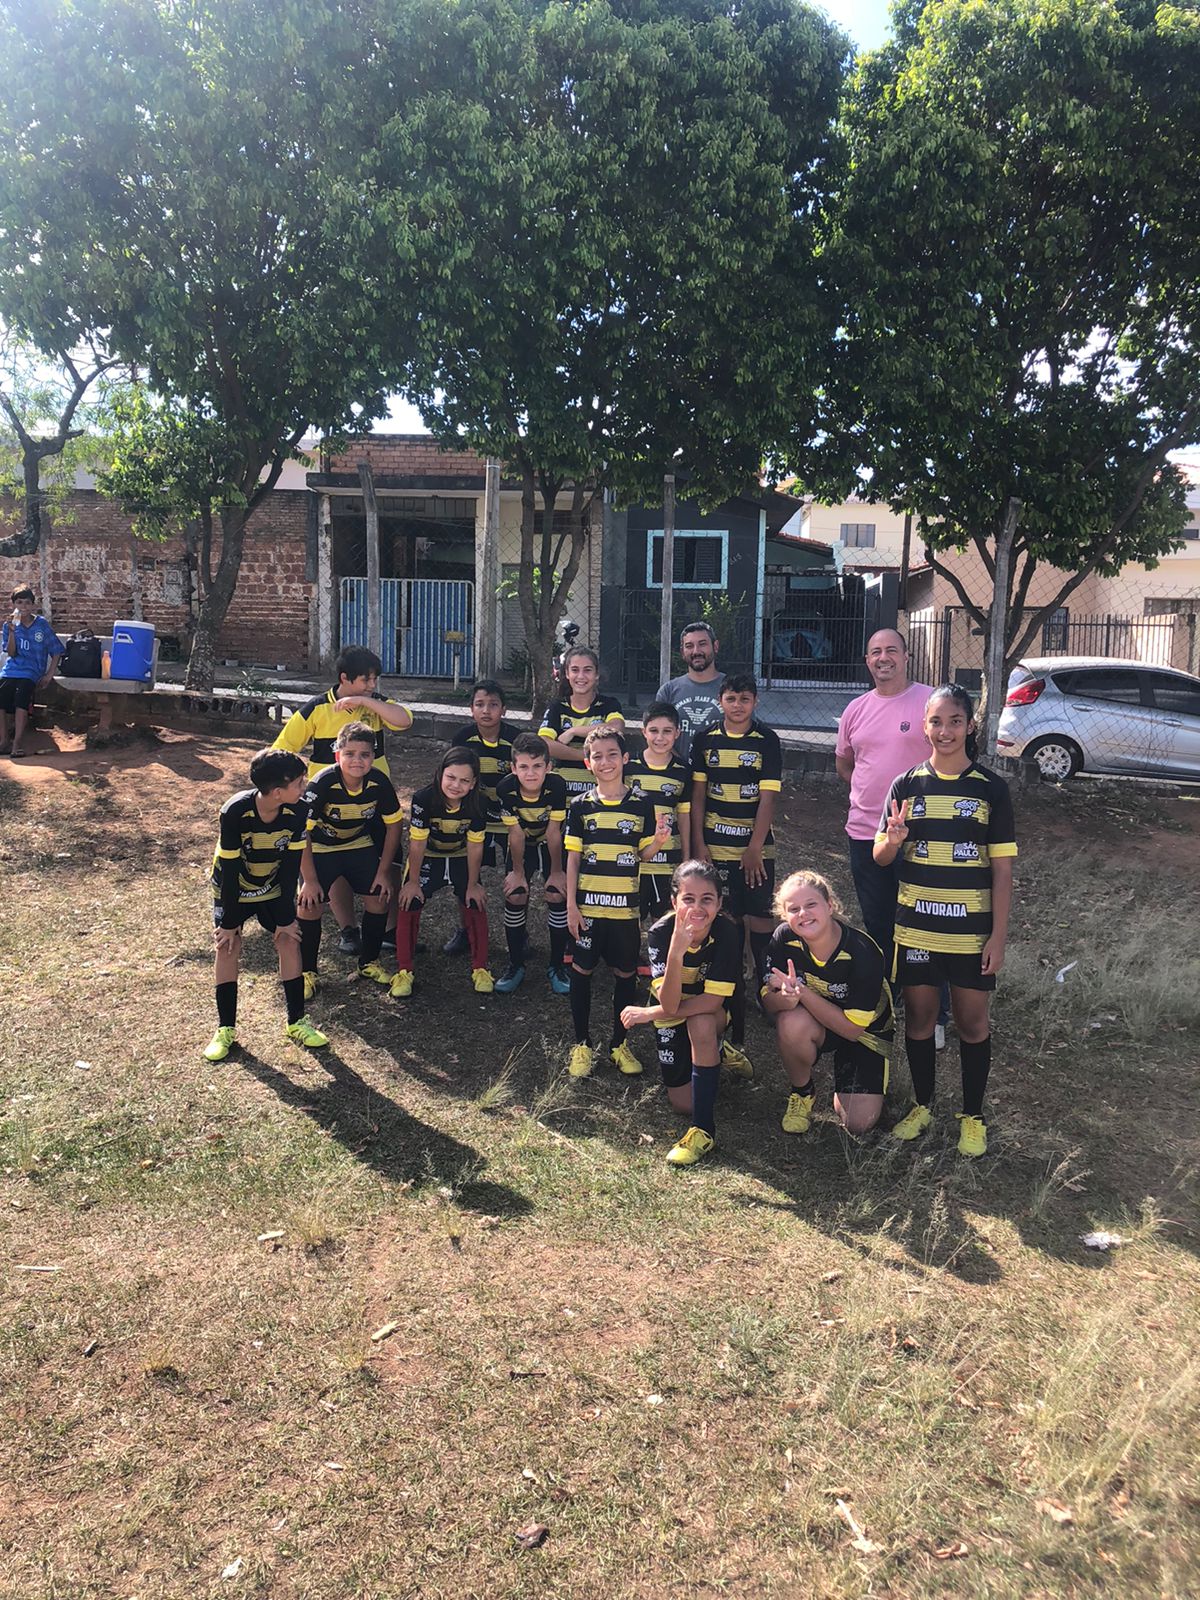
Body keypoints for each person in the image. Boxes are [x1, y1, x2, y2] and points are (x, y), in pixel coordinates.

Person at [874, 684, 1017, 1157]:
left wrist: (997, 936)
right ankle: (923, 1105)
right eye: (936, 721)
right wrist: (893, 840)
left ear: (969, 725)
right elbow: (879, 856)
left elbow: (1002, 871)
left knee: (972, 1024)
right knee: (920, 1018)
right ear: (924, 726)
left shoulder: (991, 789)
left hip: (970, 932)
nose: (945, 731)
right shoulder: (905, 785)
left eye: (955, 721)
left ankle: (973, 1116)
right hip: (916, 927)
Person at [835, 629, 946, 1043]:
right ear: (867, 660)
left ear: (906, 656)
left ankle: (936, 1014)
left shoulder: (929, 702)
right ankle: (890, 999)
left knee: (926, 923)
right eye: (876, 652)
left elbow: (949, 755)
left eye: (891, 650)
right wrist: (872, 796)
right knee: (879, 921)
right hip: (866, 832)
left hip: (922, 837)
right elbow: (845, 763)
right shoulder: (856, 709)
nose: (884, 658)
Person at [272, 646, 413, 955]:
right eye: (366, 680)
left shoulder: (375, 704)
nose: (372, 685)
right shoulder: (316, 709)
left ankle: (389, 930)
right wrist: (294, 788)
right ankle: (349, 930)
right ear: (344, 678)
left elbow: (404, 720)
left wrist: (364, 700)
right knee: (337, 865)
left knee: (388, 861)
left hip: (373, 804)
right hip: (328, 810)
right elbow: (281, 750)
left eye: (375, 679)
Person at [203, 748, 328, 1062]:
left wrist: (285, 918)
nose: (305, 787)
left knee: (289, 939)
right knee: (227, 946)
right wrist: (229, 923)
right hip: (234, 887)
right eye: (299, 783)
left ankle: (297, 1021)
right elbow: (230, 870)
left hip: (271, 887)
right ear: (277, 792)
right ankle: (225, 1029)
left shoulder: (299, 810)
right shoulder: (235, 811)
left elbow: (290, 867)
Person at [564, 726, 671, 1079]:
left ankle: (618, 1044)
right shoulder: (580, 806)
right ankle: (582, 1044)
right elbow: (573, 860)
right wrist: (572, 906)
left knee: (625, 974)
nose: (606, 761)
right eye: (597, 756)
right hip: (588, 909)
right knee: (582, 971)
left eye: (612, 754)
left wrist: (658, 842)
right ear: (588, 763)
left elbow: (642, 854)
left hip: (625, 910)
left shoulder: (641, 803)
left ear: (625, 758)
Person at [690, 672, 783, 1076]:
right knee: (725, 919)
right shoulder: (705, 739)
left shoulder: (767, 741)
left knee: (760, 919)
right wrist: (700, 844)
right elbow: (697, 796)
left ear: (755, 702)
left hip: (754, 851)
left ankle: (764, 988)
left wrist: (755, 846)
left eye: (745, 699)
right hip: (715, 847)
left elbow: (768, 797)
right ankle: (727, 989)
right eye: (731, 698)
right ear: (720, 701)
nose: (738, 705)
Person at [619, 861, 741, 1167]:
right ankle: (718, 1053)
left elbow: (711, 1002)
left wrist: (650, 1013)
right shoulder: (660, 933)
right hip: (672, 1010)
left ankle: (703, 1131)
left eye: (707, 899)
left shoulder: (727, 932)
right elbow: (672, 1005)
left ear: (719, 903)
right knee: (683, 1103)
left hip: (707, 1012)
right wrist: (675, 953)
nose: (697, 908)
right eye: (689, 899)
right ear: (674, 902)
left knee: (701, 1025)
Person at [761, 871, 893, 1138]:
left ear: (830, 905)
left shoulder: (862, 951)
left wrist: (801, 993)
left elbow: (853, 1030)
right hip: (816, 1021)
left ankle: (864, 1078)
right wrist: (784, 998)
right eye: (793, 909)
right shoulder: (783, 938)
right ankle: (802, 1093)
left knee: (859, 1123)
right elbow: (766, 1003)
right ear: (784, 915)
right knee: (789, 1020)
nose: (803, 914)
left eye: (811, 904)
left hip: (863, 1031)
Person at [296, 722, 403, 995]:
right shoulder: (322, 783)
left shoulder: (379, 782)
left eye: (365, 754)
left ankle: (368, 962)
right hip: (320, 847)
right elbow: (301, 833)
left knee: (379, 896)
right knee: (309, 904)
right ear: (337, 755)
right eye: (350, 754)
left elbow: (394, 826)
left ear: (373, 757)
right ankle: (307, 972)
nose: (357, 760)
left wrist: (383, 872)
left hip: (357, 843)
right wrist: (309, 880)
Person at [392, 746, 492, 997]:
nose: (456, 785)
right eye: (451, 777)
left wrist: (473, 884)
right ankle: (404, 970)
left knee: (475, 902)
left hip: (460, 855)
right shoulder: (424, 798)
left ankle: (480, 967)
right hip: (430, 854)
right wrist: (412, 882)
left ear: (473, 783)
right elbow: (417, 842)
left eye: (464, 780)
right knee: (409, 902)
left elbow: (475, 845)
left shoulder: (479, 801)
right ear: (440, 774)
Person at [443, 678, 519, 957]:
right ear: (471, 709)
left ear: (504, 709)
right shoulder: (463, 738)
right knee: (466, 875)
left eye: (493, 705)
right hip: (475, 818)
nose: (486, 710)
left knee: (516, 876)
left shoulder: (516, 739)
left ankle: (518, 934)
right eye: (480, 704)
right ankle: (466, 930)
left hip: (510, 820)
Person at [495, 732, 570, 995]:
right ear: (513, 768)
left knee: (556, 893)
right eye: (524, 767)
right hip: (523, 844)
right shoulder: (505, 788)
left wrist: (557, 872)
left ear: (548, 767)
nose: (531, 773)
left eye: (537, 766)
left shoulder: (557, 785)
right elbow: (515, 834)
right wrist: (517, 872)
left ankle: (557, 966)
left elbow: (554, 832)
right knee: (516, 894)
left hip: (550, 842)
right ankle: (515, 965)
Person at [627, 700, 692, 929]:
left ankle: (661, 953)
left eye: (667, 731)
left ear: (677, 733)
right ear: (643, 732)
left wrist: (686, 857)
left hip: (667, 861)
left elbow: (684, 816)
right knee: (631, 922)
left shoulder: (683, 770)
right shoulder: (628, 766)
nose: (660, 738)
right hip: (634, 861)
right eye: (654, 731)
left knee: (664, 923)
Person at [538, 644, 624, 804]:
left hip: (598, 796)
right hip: (562, 793)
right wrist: (586, 756)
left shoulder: (609, 704)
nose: (581, 676)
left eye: (587, 670)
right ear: (567, 674)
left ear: (596, 674)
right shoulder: (558, 707)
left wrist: (574, 731)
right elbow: (544, 744)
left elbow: (616, 727)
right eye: (575, 670)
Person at [0, 586, 64, 758]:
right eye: (19, 603)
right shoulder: (9, 625)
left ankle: (17, 743)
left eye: (27, 603)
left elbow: (56, 650)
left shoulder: (41, 624)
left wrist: (49, 674)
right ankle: (4, 740)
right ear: (14, 605)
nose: (23, 607)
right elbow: (11, 653)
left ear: (33, 605)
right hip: (12, 669)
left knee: (21, 699)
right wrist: (12, 632)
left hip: (32, 671)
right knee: (1, 697)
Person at [655, 620, 723, 762]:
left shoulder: (732, 689)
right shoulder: (668, 691)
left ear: (715, 646)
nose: (696, 651)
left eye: (702, 644)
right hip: (679, 772)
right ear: (682, 652)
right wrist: (683, 768)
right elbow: (657, 736)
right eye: (689, 646)